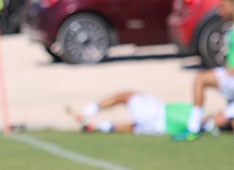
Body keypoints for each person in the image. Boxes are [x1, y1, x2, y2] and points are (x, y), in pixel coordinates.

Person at [179, 0, 234, 140]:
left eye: (222, 7)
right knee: (200, 79)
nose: (219, 12)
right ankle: (199, 125)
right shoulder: (230, 29)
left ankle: (200, 126)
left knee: (200, 79)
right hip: (230, 80)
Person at [70, 91, 233, 135]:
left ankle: (86, 112)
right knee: (134, 127)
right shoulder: (205, 124)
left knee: (127, 96)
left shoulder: (204, 120)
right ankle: (99, 126)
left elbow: (217, 120)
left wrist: (216, 119)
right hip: (157, 128)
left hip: (157, 114)